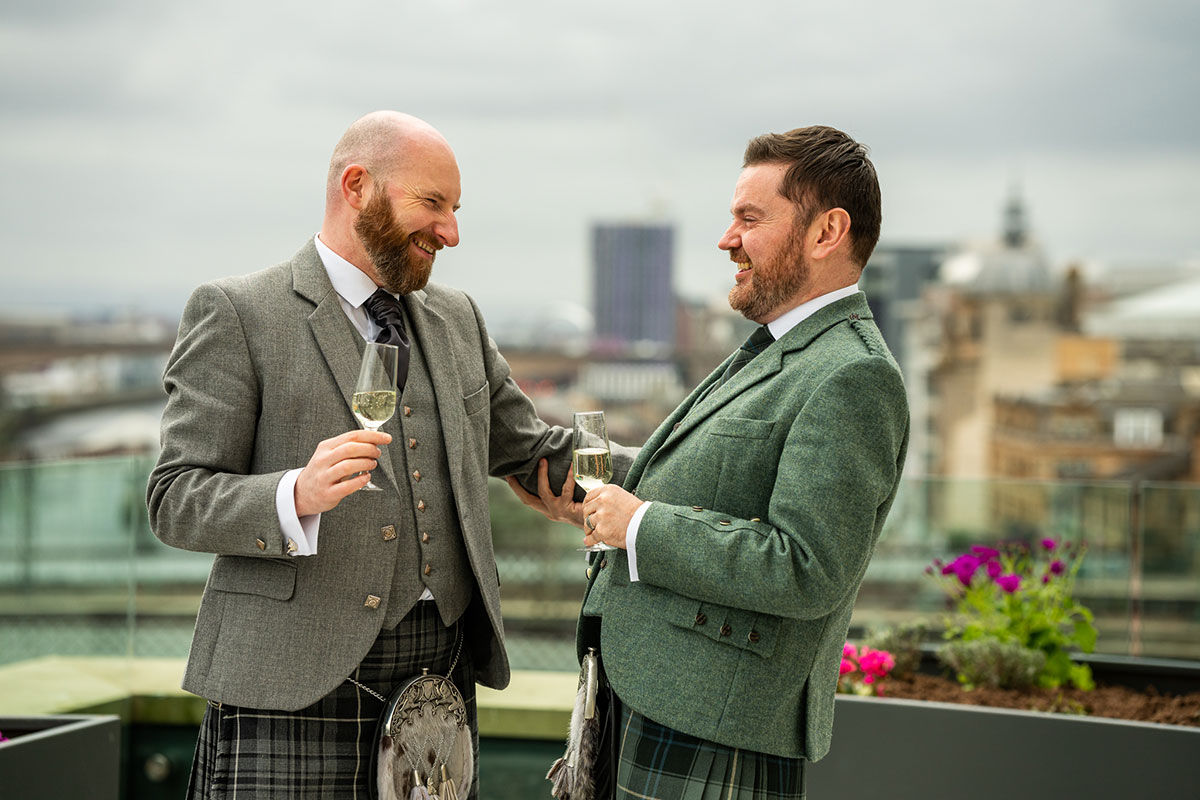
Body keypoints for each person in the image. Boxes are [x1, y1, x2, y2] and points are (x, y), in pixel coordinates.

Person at [147, 111, 629, 799]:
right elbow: (174, 497)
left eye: (455, 209)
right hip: (292, 677)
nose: (451, 231)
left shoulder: (457, 318)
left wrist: (682, 460)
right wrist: (294, 494)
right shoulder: (239, 313)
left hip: (442, 672)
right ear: (356, 186)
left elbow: (532, 448)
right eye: (432, 203)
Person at [510, 125, 910, 799]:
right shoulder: (780, 346)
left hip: (714, 728)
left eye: (750, 219)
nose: (728, 239)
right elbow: (717, 472)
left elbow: (806, 567)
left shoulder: (853, 375)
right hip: (652, 703)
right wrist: (594, 493)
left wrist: (637, 525)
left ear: (826, 232)